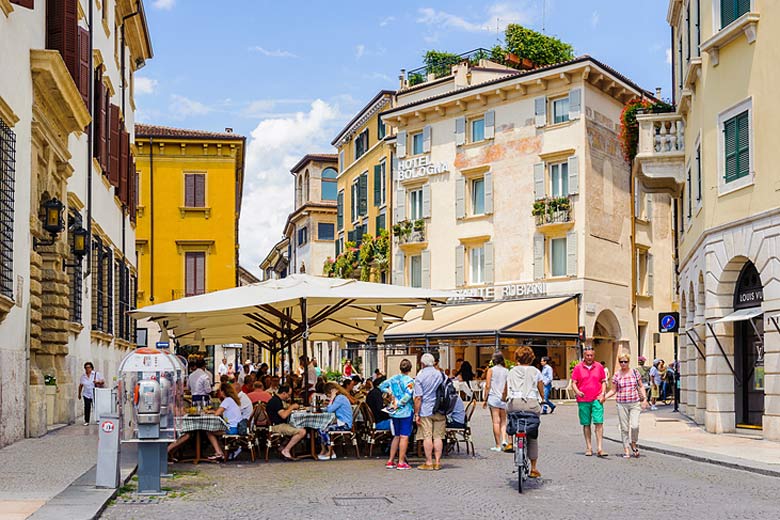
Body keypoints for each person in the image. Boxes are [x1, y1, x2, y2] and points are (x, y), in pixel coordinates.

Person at [503, 346, 545, 477]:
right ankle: (533, 468)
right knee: (532, 434)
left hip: (514, 403)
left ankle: (510, 441)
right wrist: (542, 399)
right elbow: (540, 388)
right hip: (531, 404)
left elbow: (506, 389)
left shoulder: (511, 371)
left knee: (510, 416)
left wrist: (504, 398)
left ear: (517, 358)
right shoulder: (536, 371)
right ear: (531, 358)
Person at [605, 353, 649, 458]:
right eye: (621, 361)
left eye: (625, 361)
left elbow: (641, 386)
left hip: (634, 403)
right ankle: (626, 449)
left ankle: (633, 442)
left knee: (635, 425)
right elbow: (613, 390)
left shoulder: (635, 372)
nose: (623, 363)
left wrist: (644, 399)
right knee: (624, 428)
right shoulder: (616, 375)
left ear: (629, 362)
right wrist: (604, 397)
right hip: (621, 404)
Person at [571, 347, 608, 457]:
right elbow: (574, 382)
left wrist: (603, 393)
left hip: (597, 399)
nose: (589, 357)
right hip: (583, 400)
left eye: (591, 355)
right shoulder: (578, 367)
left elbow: (603, 382)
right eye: (587, 355)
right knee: (586, 424)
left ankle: (600, 448)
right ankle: (589, 447)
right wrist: (577, 391)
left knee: (599, 422)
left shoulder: (599, 367)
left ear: (594, 355)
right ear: (584, 355)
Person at [379, 359, 415, 470]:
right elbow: (408, 395)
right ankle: (401, 462)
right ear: (410, 369)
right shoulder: (410, 381)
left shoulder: (394, 378)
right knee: (404, 437)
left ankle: (390, 460)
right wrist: (399, 403)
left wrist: (390, 393)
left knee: (396, 436)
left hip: (394, 412)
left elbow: (381, 386)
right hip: (405, 411)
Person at [413, 353, 446, 471]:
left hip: (426, 409)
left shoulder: (420, 376)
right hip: (440, 409)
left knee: (427, 436)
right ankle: (437, 462)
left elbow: (418, 397)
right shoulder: (440, 374)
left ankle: (429, 462)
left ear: (422, 364)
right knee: (438, 436)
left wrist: (416, 413)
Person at [266, 385, 306, 460]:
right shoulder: (276, 401)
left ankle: (281, 448)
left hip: (277, 424)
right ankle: (286, 450)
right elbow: (283, 415)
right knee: (302, 431)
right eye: (289, 394)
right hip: (276, 426)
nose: (289, 396)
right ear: (284, 393)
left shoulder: (277, 400)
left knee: (299, 426)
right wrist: (292, 407)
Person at [318, 382, 353, 460]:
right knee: (319, 427)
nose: (328, 396)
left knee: (323, 429)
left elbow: (330, 410)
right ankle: (323, 450)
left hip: (345, 424)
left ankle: (331, 452)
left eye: (328, 394)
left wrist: (332, 398)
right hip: (341, 422)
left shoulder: (340, 398)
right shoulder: (340, 398)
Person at [483, 352, 509, 451]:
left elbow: (488, 385)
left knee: (495, 422)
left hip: (493, 397)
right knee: (503, 421)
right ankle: (504, 440)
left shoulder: (491, 370)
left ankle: (498, 445)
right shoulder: (507, 371)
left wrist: (485, 399)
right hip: (503, 398)